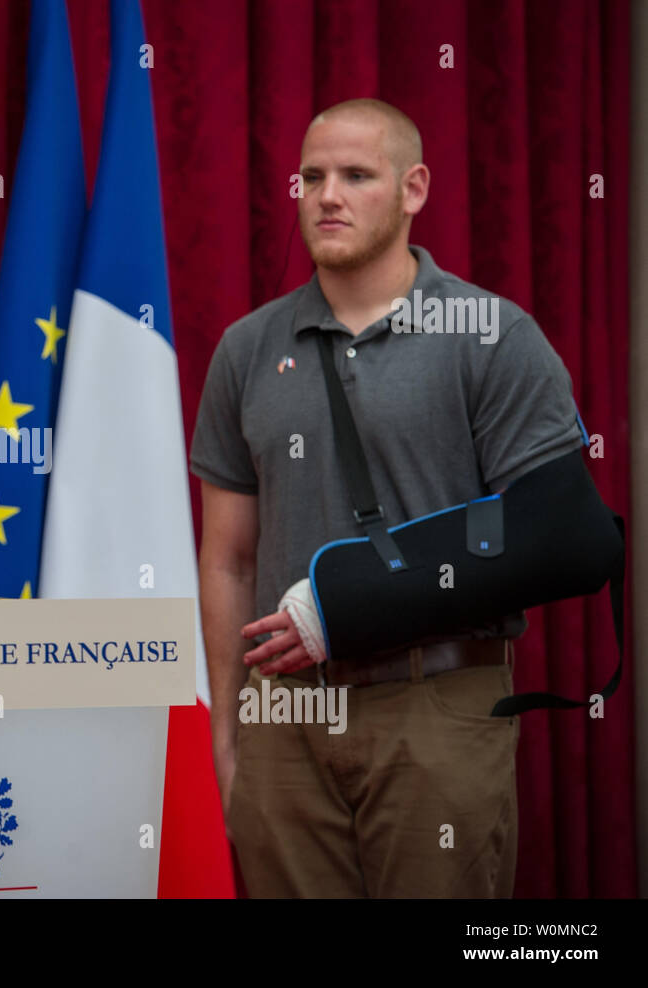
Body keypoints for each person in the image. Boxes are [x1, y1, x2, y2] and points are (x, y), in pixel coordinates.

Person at [190, 99, 584, 897]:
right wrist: (228, 737)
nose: (327, 195)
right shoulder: (246, 348)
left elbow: (556, 536)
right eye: (312, 177)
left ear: (413, 189)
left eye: (356, 176)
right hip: (285, 721)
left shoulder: (491, 335)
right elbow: (228, 560)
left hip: (436, 701)